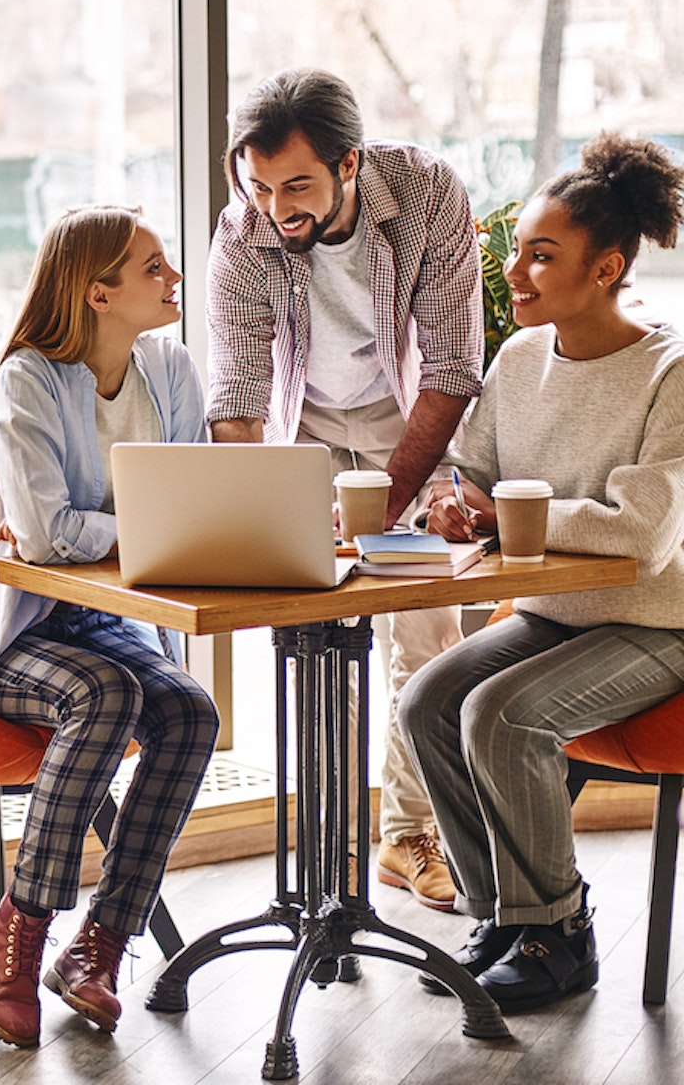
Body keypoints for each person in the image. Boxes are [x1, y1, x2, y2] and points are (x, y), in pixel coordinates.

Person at [0, 205, 220, 1046]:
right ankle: (20, 930)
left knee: (192, 711)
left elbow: (191, 506)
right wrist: (144, 526)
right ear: (96, 293)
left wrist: (122, 524)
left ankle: (100, 943)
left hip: (99, 619)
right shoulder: (29, 378)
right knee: (107, 695)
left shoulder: (172, 369)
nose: (174, 279)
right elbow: (44, 536)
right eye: (154, 268)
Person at [398, 132, 684, 1013]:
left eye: (540, 256)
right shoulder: (520, 358)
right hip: (560, 612)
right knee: (428, 702)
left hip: (658, 624)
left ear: (604, 269)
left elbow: (646, 534)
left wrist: (502, 511)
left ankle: (560, 937)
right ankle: (505, 919)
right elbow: (472, 470)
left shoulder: (670, 373)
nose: (513, 272)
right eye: (516, 250)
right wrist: (455, 501)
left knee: (503, 714)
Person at [206, 66, 484, 909]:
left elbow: (452, 367)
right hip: (308, 432)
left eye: (297, 185)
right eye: (258, 185)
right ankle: (328, 847)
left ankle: (406, 836)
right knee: (315, 641)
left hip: (413, 423)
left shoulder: (429, 194)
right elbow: (239, 395)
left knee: (427, 635)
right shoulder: (242, 235)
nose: (276, 207)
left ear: (350, 165)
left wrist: (388, 510)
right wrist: (266, 513)